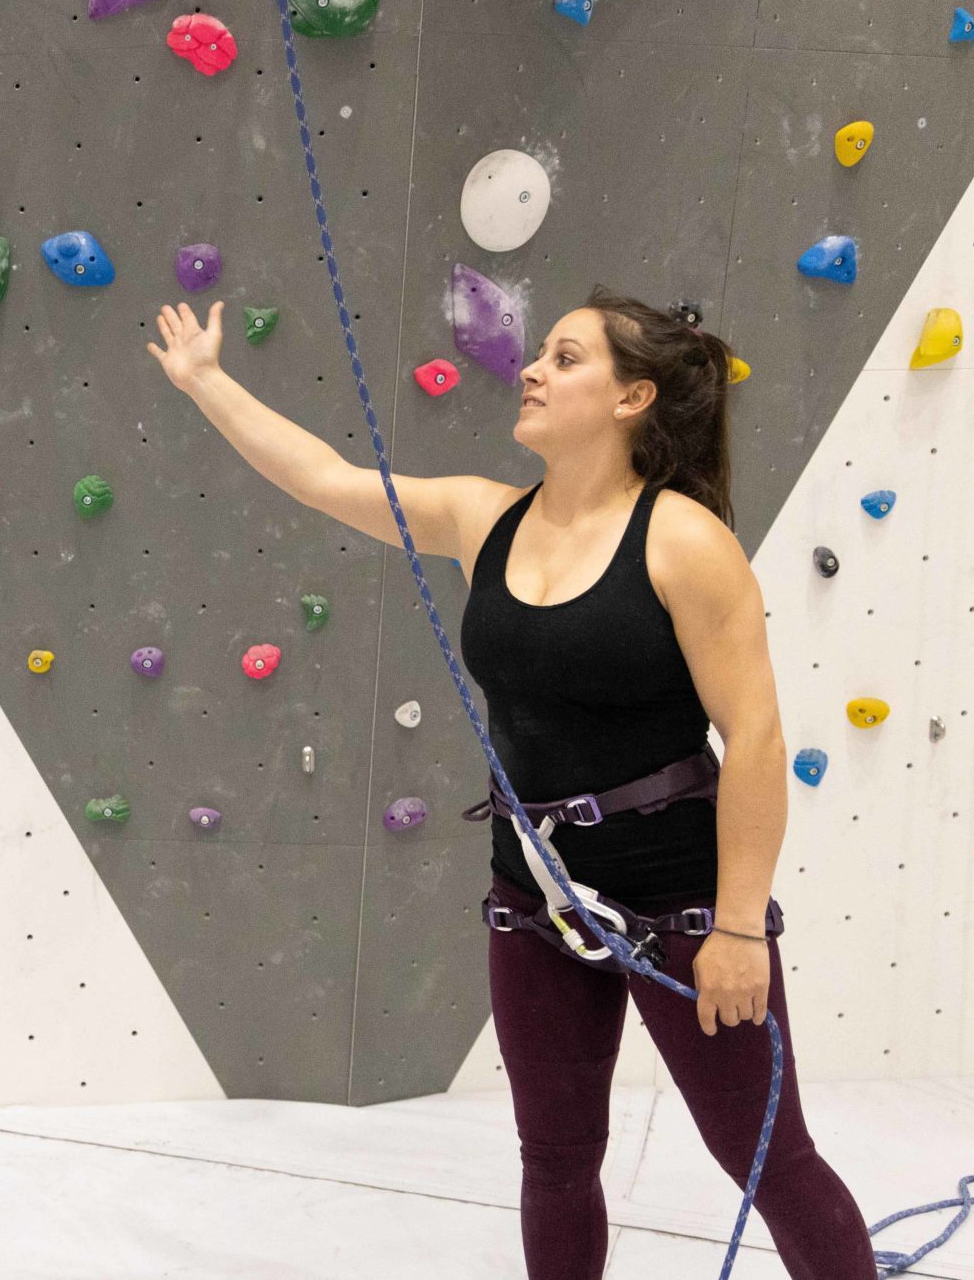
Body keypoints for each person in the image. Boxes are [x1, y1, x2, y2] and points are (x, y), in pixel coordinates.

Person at [146, 292, 877, 1279]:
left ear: (631, 397)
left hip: (682, 903)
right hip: (532, 902)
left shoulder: (680, 541)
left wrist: (738, 926)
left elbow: (752, 739)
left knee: (766, 1161)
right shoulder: (480, 516)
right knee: (556, 1161)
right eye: (539, 352)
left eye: (562, 357)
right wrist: (203, 381)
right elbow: (322, 478)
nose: (530, 368)